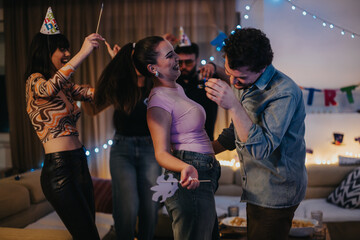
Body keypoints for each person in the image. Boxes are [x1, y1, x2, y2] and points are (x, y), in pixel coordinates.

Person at [205, 28, 307, 240]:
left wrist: (233, 106)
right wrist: (207, 150)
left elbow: (261, 149)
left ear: (262, 68)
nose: (233, 83)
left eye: (240, 77)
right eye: (229, 73)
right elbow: (239, 129)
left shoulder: (283, 93)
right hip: (256, 187)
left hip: (277, 190)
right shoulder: (244, 79)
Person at [25, 10, 104, 239]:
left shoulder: (67, 87)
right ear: (47, 50)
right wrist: (83, 52)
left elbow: (98, 95)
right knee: (88, 236)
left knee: (90, 232)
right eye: (63, 49)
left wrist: (122, 65)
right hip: (58, 171)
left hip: (80, 162)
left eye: (69, 49)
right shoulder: (34, 81)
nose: (68, 53)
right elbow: (48, 89)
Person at [132, 36, 220, 240]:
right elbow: (161, 152)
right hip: (189, 176)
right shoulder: (157, 102)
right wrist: (184, 167)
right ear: (153, 68)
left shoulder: (177, 88)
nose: (177, 59)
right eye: (170, 55)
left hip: (203, 172)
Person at [84, 42, 162, 240]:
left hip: (150, 148)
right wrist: (82, 95)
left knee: (150, 206)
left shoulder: (157, 83)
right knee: (126, 206)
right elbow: (93, 109)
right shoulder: (120, 84)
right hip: (122, 149)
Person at [174, 42, 219, 140]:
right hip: (177, 144)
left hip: (205, 141)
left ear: (197, 60)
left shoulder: (206, 77)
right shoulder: (172, 81)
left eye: (189, 62)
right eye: (180, 62)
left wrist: (213, 67)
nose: (184, 66)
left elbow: (231, 82)